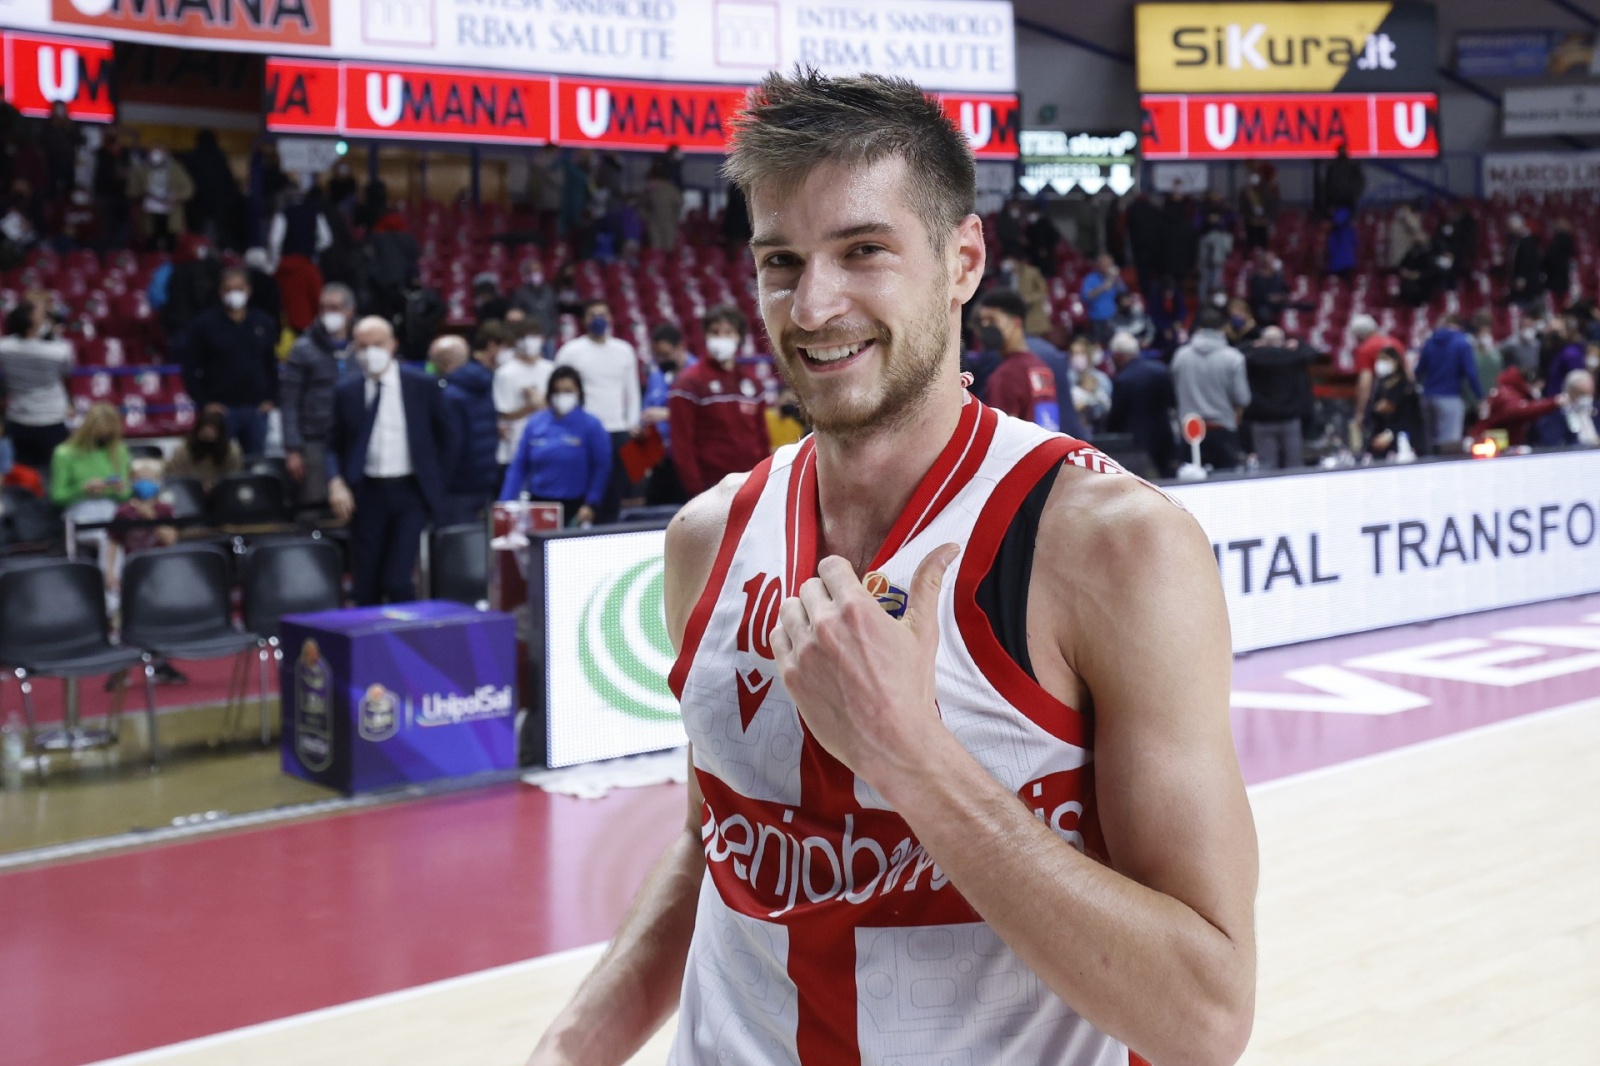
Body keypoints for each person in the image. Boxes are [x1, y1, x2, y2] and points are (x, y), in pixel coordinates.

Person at [529, 70, 1256, 1066]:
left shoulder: (1112, 547)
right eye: (780, 261)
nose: (813, 303)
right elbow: (717, 849)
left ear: (961, 259)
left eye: (862, 250)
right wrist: (563, 1051)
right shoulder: (706, 537)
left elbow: (1204, 1017)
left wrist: (911, 754)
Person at [327, 317, 459, 606]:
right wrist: (336, 481)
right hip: (366, 493)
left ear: (392, 345)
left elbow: (449, 438)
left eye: (377, 344)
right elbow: (333, 445)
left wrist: (435, 481)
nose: (370, 352)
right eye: (362, 346)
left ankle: (407, 642)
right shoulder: (347, 391)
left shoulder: (422, 386)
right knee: (365, 585)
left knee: (398, 580)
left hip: (410, 492)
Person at [667, 306, 770, 498]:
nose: (721, 337)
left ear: (739, 337)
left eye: (728, 332)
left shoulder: (753, 384)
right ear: (705, 336)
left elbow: (762, 438)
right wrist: (696, 491)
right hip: (711, 489)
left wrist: (764, 481)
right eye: (715, 332)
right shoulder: (688, 383)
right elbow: (682, 445)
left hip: (752, 484)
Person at [176, 266, 279, 455]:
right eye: (228, 289)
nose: (234, 293)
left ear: (248, 290)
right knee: (217, 462)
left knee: (255, 464)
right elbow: (190, 368)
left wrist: (272, 398)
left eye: (239, 288)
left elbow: (271, 363)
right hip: (220, 410)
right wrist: (204, 403)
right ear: (220, 291)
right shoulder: (204, 324)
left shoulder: (263, 322)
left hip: (256, 410)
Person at [555, 299, 640, 523]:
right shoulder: (571, 351)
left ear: (611, 318)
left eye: (603, 314)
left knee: (612, 497)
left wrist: (631, 422)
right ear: (584, 320)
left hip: (617, 431)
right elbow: (559, 389)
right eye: (592, 314)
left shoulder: (624, 350)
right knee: (582, 495)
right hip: (584, 431)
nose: (598, 319)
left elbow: (632, 390)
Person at [499, 366, 611, 527]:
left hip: (575, 506)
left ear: (579, 392)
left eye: (568, 391)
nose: (562, 396)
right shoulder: (535, 423)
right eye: (557, 391)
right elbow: (519, 465)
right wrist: (505, 502)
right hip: (539, 504)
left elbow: (601, 467)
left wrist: (592, 503)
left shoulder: (591, 425)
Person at [281, 282, 358, 505]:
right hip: (315, 439)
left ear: (349, 310)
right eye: (323, 308)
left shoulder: (363, 344)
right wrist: (293, 448)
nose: (327, 313)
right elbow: (290, 400)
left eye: (334, 308)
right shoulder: (303, 347)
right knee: (315, 504)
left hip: (357, 437)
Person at [430, 334, 501, 525]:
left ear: (443, 362)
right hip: (484, 478)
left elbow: (452, 443)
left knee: (456, 547)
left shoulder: (449, 395)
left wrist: (439, 483)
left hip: (458, 485)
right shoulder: (483, 384)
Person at [1171, 306, 1252, 470]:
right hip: (1222, 429)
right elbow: (1243, 398)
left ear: (1198, 328)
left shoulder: (1181, 355)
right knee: (1226, 487)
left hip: (1190, 431)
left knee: (1189, 486)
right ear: (1223, 328)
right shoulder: (1233, 357)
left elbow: (1174, 390)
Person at [974, 289, 1063, 431]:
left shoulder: (1005, 375)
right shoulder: (1040, 367)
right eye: (982, 321)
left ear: (1016, 322)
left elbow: (1001, 437)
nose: (985, 327)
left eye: (992, 320)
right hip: (1047, 449)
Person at [0, 298, 73, 471]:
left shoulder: (4, 348)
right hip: (52, 420)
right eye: (42, 318)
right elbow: (66, 371)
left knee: (21, 471)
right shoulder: (60, 351)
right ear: (31, 325)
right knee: (52, 470)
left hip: (18, 418)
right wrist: (53, 333)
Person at [1104, 330, 1177, 477]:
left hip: (1136, 445)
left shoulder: (1123, 380)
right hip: (1164, 438)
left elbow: (1116, 418)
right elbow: (1173, 403)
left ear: (1118, 356)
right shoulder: (1161, 370)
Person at [1241, 326, 1313, 471]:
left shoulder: (1252, 358)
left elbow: (1235, 353)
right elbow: (1312, 353)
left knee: (1267, 466)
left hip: (1261, 418)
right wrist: (1298, 344)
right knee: (1295, 465)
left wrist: (1251, 344)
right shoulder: (1293, 356)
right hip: (1290, 417)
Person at [1414, 314, 1483, 454]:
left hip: (1427, 398)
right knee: (1449, 446)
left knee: (1430, 445)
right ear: (1459, 326)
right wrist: (1480, 396)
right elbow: (1470, 373)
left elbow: (1419, 370)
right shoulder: (1461, 342)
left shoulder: (1430, 341)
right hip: (1450, 398)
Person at [494, 321, 554, 480]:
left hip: (547, 444)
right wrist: (530, 406)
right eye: (525, 337)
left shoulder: (550, 369)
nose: (530, 341)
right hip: (514, 447)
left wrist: (540, 402)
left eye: (534, 336)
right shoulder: (506, 373)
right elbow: (503, 413)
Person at [642, 322, 692, 505]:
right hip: (659, 459)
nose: (661, 360)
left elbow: (707, 416)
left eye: (665, 355)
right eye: (658, 356)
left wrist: (668, 414)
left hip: (687, 461)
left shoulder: (697, 375)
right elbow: (647, 408)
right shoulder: (657, 375)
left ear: (680, 348)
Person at [49, 402, 130, 512]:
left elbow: (125, 495)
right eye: (99, 436)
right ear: (87, 431)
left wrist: (120, 490)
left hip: (114, 511)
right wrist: (82, 489)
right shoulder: (64, 453)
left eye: (108, 436)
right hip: (79, 511)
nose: (104, 440)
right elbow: (57, 498)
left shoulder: (119, 450)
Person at [1472, 366, 1560, 448]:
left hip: (1497, 442)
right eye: (1538, 387)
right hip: (1487, 445)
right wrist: (1553, 403)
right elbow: (1519, 411)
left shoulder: (1509, 391)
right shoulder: (1507, 394)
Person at [126, 145, 194, 251]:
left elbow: (189, 189)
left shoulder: (176, 169)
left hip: (170, 215)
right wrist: (142, 194)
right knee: (150, 246)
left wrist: (176, 196)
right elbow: (131, 191)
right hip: (148, 215)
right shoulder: (141, 170)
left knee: (170, 246)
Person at [1363, 346, 1425, 459]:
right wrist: (1376, 409)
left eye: (1385, 359)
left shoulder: (1407, 388)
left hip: (1404, 441)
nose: (1380, 363)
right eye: (1379, 359)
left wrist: (1390, 435)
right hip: (1379, 442)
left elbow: (1410, 419)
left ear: (1395, 362)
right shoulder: (1379, 387)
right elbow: (1369, 415)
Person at [165, 405, 243, 489]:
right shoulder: (182, 450)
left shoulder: (231, 452)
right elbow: (175, 478)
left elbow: (234, 479)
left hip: (222, 493)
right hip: (188, 492)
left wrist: (214, 486)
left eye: (211, 439)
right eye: (204, 437)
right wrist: (198, 487)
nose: (207, 442)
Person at [1349, 313, 1403, 419]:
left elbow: (1365, 383)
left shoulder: (1366, 348)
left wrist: (1360, 411)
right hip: (1400, 398)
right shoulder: (1396, 343)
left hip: (1380, 400)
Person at [1529, 369, 1599, 447]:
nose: (1586, 400)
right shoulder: (1556, 414)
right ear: (1570, 392)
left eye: (1588, 395)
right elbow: (1555, 443)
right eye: (1581, 395)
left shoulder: (1596, 409)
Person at [1078, 252, 1125, 344]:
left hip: (1114, 319)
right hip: (1097, 319)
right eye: (1104, 264)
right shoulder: (1090, 279)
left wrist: (1117, 279)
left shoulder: (1115, 278)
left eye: (1109, 264)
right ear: (1098, 265)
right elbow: (1085, 297)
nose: (1107, 266)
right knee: (1098, 345)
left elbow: (1124, 294)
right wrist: (1103, 287)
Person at [642, 161, 685, 251]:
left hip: (665, 223)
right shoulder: (667, 188)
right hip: (659, 223)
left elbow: (678, 204)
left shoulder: (668, 188)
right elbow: (644, 206)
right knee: (659, 250)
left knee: (663, 249)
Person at [1505, 214, 1543, 313]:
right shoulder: (1516, 239)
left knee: (1526, 305)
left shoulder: (1528, 241)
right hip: (1519, 278)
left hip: (1527, 281)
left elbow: (1527, 262)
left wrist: (1522, 278)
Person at [510, 260, 558, 336]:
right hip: (529, 335)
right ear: (527, 273)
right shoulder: (520, 292)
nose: (535, 274)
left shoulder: (549, 291)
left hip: (548, 335)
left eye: (537, 270)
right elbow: (515, 314)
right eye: (532, 271)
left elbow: (554, 313)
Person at [1196, 213, 1232, 310]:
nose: (1214, 218)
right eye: (1212, 216)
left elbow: (1228, 248)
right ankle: (1202, 304)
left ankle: (1215, 305)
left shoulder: (1222, 231)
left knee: (1216, 282)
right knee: (1204, 281)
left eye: (1216, 216)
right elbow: (1201, 248)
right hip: (1205, 262)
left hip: (1218, 261)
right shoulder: (1204, 229)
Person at [1247, 253, 1289, 328]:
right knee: (1264, 313)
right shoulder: (1258, 278)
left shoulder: (1278, 277)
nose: (1275, 262)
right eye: (1272, 260)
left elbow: (1286, 292)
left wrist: (1280, 297)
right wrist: (1268, 298)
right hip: (1263, 305)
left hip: (1278, 305)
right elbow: (1254, 297)